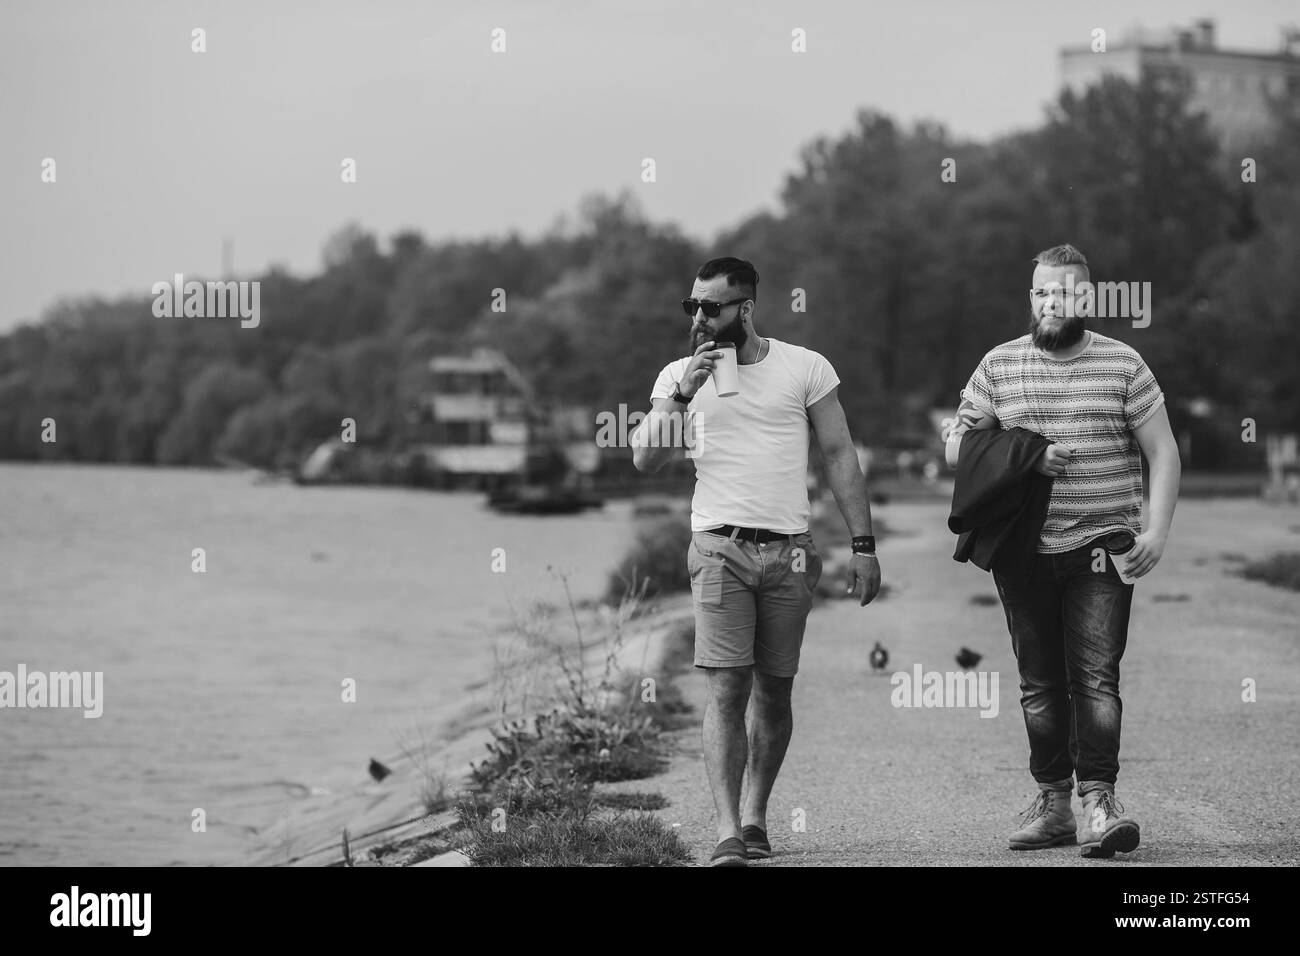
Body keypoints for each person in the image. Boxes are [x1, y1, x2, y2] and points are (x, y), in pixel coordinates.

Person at [632, 256, 881, 866]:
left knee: (774, 691)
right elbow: (645, 460)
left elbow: (840, 454)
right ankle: (725, 834)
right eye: (692, 306)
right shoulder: (676, 377)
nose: (699, 318)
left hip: (790, 553)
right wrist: (683, 392)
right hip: (718, 547)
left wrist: (863, 545)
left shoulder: (805, 367)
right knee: (725, 688)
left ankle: (755, 815)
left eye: (711, 307)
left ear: (746, 308)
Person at [945, 244, 1181, 858]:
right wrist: (1026, 454)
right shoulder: (999, 367)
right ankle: (1053, 804)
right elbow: (957, 448)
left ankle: (1098, 806)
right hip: (1023, 551)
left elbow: (1163, 451)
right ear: (1032, 299)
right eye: (1042, 293)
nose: (1053, 303)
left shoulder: (1124, 365)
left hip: (1103, 545)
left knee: (1096, 679)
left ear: (1087, 298)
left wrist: (1156, 531)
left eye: (1066, 293)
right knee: (1039, 685)